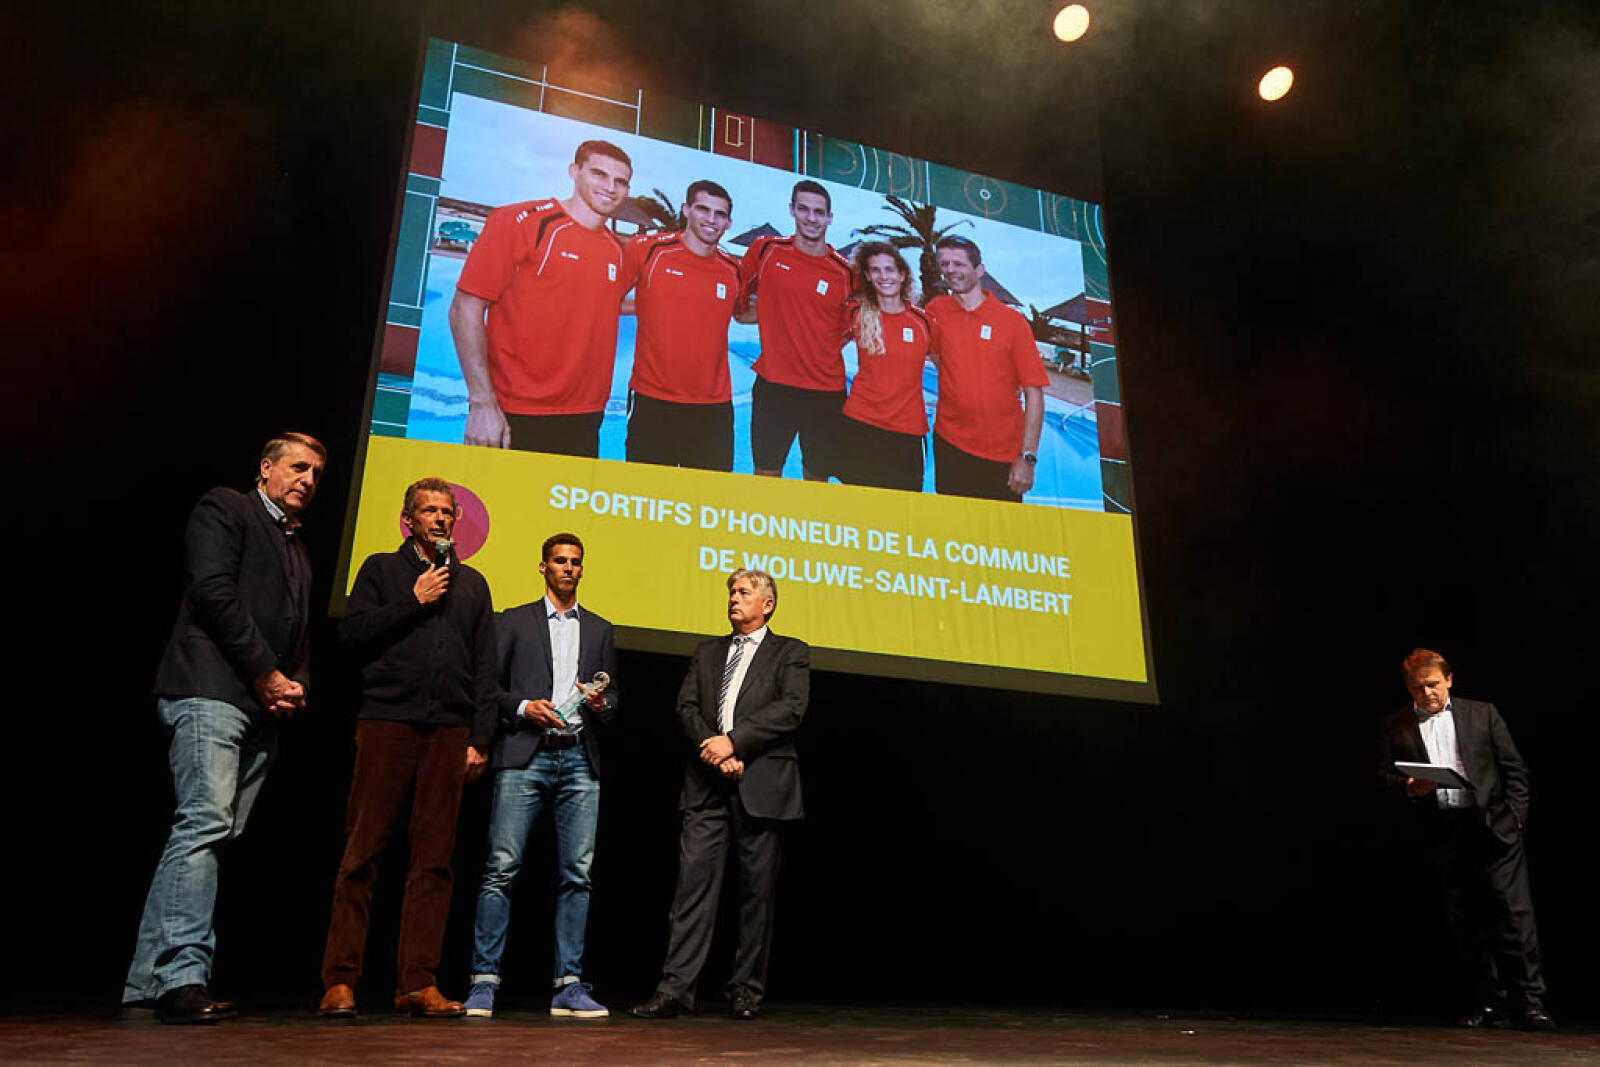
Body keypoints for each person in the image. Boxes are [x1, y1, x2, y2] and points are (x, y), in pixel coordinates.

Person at [123, 433, 326, 1024]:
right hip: (209, 688)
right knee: (205, 824)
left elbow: (299, 628)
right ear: (265, 468)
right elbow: (212, 592)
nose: (308, 480)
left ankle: (146, 980)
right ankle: (182, 977)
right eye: (298, 467)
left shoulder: (298, 545)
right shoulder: (226, 507)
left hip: (261, 704)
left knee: (211, 831)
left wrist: (295, 684)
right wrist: (267, 673)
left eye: (316, 473)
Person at [318, 478, 497, 1020]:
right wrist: (412, 600)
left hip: (449, 732)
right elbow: (351, 636)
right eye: (429, 511)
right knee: (363, 851)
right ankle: (340, 980)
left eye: (447, 512)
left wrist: (480, 738)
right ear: (409, 519)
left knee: (435, 860)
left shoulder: (473, 583)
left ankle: (417, 982)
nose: (440, 519)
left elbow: (486, 668)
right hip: (387, 723)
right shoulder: (381, 569)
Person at [631, 569, 809, 1021]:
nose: (734, 598)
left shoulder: (790, 652)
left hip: (762, 784)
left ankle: (745, 990)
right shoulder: (707, 651)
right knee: (691, 890)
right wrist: (716, 751)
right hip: (706, 785)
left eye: (744, 592)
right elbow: (686, 707)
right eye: (731, 591)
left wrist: (736, 743)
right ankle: (675, 990)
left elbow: (791, 709)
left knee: (755, 896)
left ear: (767, 604)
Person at [463, 533, 620, 1020]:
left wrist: (602, 704)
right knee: (501, 869)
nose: (568, 568)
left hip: (579, 760)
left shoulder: (600, 629)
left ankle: (568, 985)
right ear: (543, 567)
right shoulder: (514, 620)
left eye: (575, 562)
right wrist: (524, 707)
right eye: (560, 561)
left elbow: (614, 701)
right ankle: (483, 982)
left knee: (578, 874)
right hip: (524, 755)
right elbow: (488, 687)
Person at [1376, 649, 1554, 1030]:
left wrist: (1515, 819)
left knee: (1514, 917)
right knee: (1465, 921)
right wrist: (1408, 785)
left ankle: (1531, 1004)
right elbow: (1384, 775)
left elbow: (1515, 770)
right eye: (1418, 688)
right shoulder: (1396, 724)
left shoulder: (1482, 713)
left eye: (1433, 685)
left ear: (1449, 680)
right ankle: (1490, 1004)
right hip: (1444, 830)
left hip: (1492, 826)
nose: (1427, 693)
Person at [450, 140, 633, 457]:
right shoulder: (520, 222)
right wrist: (482, 404)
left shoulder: (615, 249)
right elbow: (464, 308)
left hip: (585, 416)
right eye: (599, 174)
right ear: (574, 171)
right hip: (514, 410)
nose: (610, 187)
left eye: (621, 181)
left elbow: (602, 303)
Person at [621, 180, 742, 470]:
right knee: (646, 493)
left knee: (708, 495)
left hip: (713, 407)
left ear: (728, 223)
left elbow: (741, 313)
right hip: (653, 400)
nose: (711, 220)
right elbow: (606, 300)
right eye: (703, 209)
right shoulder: (647, 251)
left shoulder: (733, 270)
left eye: (720, 214)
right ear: (686, 210)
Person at [738, 180, 852, 480]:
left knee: (817, 478)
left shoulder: (845, 272)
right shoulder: (766, 250)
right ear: (792, 210)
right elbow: (738, 303)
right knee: (766, 474)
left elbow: (855, 323)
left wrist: (824, 346)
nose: (811, 218)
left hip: (826, 393)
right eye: (804, 209)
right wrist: (768, 316)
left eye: (819, 212)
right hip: (774, 387)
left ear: (830, 217)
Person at [924, 235, 1047, 502]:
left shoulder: (1013, 322)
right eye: (944, 264)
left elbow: (1034, 394)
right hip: (949, 444)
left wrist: (1028, 457)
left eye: (959, 264)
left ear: (979, 270)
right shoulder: (936, 310)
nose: (950, 270)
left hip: (1002, 453)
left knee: (1000, 526)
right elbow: (934, 353)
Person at [836, 241, 933, 491]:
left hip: (907, 431)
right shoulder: (857, 315)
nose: (883, 276)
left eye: (889, 269)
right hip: (860, 425)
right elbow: (825, 348)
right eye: (875, 270)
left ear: (902, 275)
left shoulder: (923, 322)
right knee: (858, 505)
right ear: (868, 276)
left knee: (902, 508)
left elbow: (948, 370)